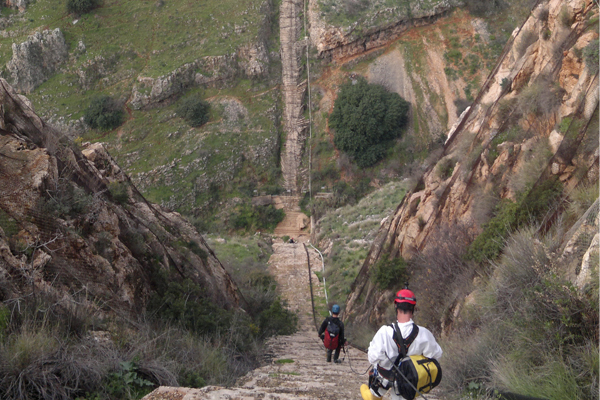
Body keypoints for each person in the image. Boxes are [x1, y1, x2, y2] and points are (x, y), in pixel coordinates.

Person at [361, 285, 443, 400]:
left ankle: (370, 393)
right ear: (413, 308)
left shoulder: (384, 332)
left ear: (396, 306)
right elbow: (436, 355)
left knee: (372, 395)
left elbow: (372, 358)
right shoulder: (424, 334)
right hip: (407, 383)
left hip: (384, 378)